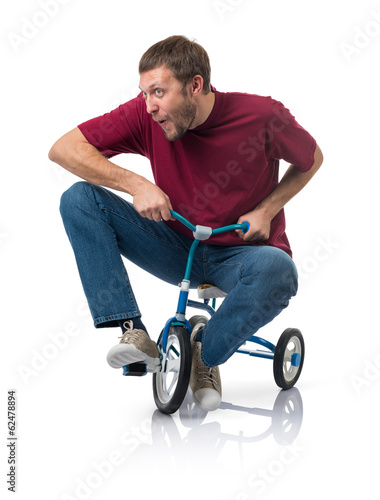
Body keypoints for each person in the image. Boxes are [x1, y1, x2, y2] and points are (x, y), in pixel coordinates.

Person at [49, 35, 323, 411]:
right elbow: (63, 149)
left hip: (244, 254)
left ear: (195, 85)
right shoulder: (146, 116)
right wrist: (137, 184)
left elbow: (311, 157)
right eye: (144, 93)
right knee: (79, 200)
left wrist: (267, 209)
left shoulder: (262, 116)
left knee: (280, 270)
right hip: (179, 245)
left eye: (158, 91)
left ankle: (204, 352)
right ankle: (133, 333)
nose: (149, 106)